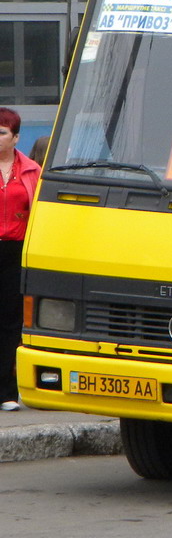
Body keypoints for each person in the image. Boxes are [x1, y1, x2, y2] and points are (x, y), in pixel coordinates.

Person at [0, 108, 41, 411]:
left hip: (16, 250)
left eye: (2, 133)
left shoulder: (30, 170)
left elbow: (38, 213)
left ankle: (6, 391)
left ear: (15, 137)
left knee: (12, 323)